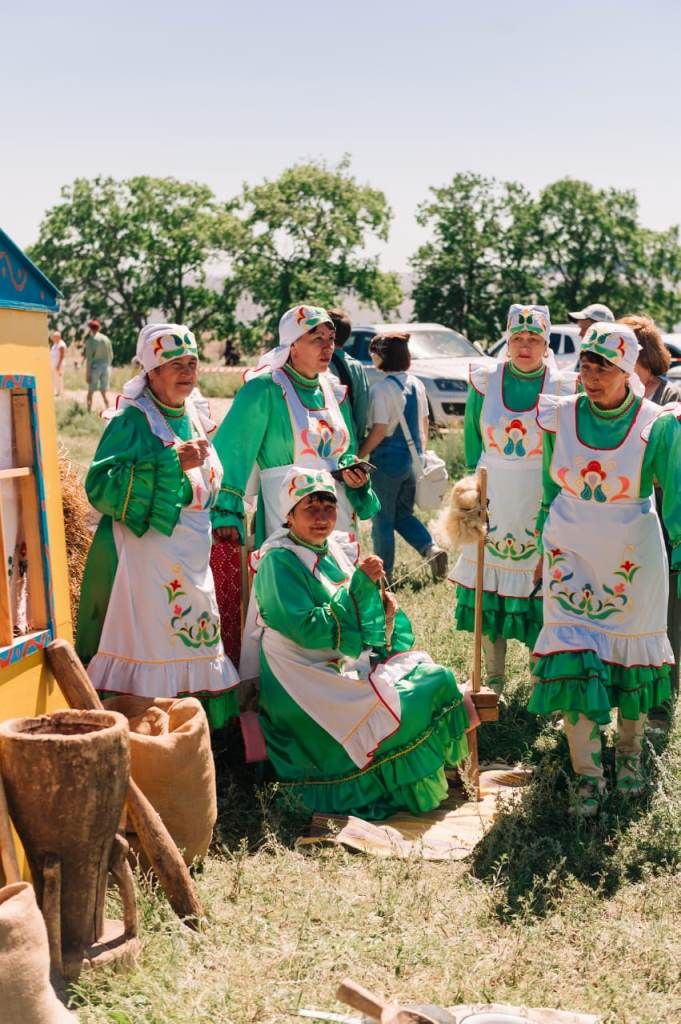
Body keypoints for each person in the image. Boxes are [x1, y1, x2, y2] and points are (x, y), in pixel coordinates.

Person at [246, 466, 470, 818]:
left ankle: (434, 774)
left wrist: (382, 607)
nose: (321, 518)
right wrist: (362, 588)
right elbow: (306, 628)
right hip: (305, 681)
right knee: (413, 700)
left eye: (329, 508)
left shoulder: (330, 547)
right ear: (288, 516)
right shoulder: (278, 561)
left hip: (341, 664)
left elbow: (359, 612)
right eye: (310, 509)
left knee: (436, 677)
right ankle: (386, 786)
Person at [529, 322, 681, 815]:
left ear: (629, 369)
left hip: (632, 558)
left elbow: (675, 498)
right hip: (567, 552)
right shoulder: (560, 417)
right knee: (574, 659)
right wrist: (538, 549)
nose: (592, 376)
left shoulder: (657, 424)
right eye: (587, 366)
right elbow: (550, 490)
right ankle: (588, 776)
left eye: (605, 367)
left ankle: (631, 756)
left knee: (631, 658)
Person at [75, 323, 239, 729]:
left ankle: (194, 728)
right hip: (146, 556)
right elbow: (101, 486)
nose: (186, 372)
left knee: (193, 634)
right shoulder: (132, 420)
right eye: (174, 364)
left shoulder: (194, 414)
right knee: (152, 641)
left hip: (193, 552)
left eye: (192, 363)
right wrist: (169, 464)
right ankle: (144, 724)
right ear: (151, 372)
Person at [449, 305, 576, 692]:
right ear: (507, 339)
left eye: (534, 339)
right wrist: (471, 495)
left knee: (542, 592)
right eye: (517, 338)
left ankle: (542, 678)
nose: (524, 346)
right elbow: (473, 442)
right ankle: (494, 678)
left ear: (546, 342)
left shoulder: (564, 387)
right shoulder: (485, 380)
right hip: (493, 498)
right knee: (488, 587)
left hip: (540, 498)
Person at [211, 304, 379, 553]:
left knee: (338, 585)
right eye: (317, 338)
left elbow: (346, 451)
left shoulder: (333, 391)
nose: (327, 347)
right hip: (286, 514)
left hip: (338, 514)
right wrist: (225, 510)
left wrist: (354, 475)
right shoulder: (265, 390)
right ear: (293, 344)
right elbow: (230, 452)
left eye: (331, 338)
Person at [621, 314, 681, 691]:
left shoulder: (670, 395)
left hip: (663, 514)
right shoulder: (615, 394)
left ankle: (665, 690)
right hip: (622, 514)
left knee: (666, 605)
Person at [359, 331, 447, 581]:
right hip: (414, 459)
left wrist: (358, 454)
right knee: (402, 515)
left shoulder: (381, 389)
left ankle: (383, 576)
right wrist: (420, 458)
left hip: (387, 461)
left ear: (381, 357)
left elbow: (378, 431)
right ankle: (431, 549)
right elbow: (425, 422)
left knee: (382, 520)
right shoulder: (416, 384)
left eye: (373, 353)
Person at [327, 307, 371, 443]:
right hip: (349, 439)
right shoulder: (356, 366)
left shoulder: (314, 364)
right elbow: (362, 409)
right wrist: (357, 439)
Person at [84, 318, 114, 412]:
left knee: (91, 390)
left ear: (90, 328)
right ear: (99, 328)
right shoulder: (106, 339)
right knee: (104, 391)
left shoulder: (90, 340)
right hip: (106, 367)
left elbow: (89, 359)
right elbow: (111, 355)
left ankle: (88, 411)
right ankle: (108, 409)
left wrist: (87, 374)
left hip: (95, 368)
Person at [49, 330, 67, 397]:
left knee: (59, 378)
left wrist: (58, 365)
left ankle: (60, 393)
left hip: (59, 364)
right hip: (54, 364)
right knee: (55, 378)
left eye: (55, 337)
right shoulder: (55, 344)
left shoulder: (61, 344)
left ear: (58, 337)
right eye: (53, 337)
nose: (53, 338)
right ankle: (56, 392)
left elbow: (62, 356)